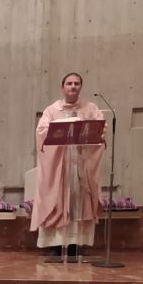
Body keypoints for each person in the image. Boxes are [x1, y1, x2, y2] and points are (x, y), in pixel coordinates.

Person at [31, 72, 106, 256]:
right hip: (59, 166)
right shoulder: (52, 110)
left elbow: (101, 130)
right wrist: (62, 126)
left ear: (81, 87)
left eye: (76, 83)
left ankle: (75, 244)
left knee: (78, 203)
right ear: (62, 87)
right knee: (57, 200)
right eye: (69, 83)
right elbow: (41, 132)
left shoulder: (91, 109)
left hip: (81, 164)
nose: (73, 86)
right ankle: (56, 245)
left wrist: (84, 127)